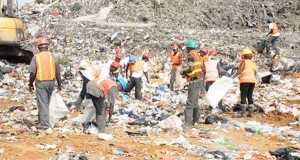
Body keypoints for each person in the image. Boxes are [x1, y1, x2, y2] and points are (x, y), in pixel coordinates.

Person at [28, 37, 62, 130]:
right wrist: (59, 84)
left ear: (39, 47)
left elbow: (33, 73)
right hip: (51, 82)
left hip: (41, 83)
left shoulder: (36, 57)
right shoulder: (53, 56)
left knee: (42, 103)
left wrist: (30, 84)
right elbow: (58, 73)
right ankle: (43, 120)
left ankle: (45, 125)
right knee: (47, 102)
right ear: (47, 47)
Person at [180, 40, 202, 128]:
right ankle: (196, 121)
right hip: (198, 79)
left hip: (193, 80)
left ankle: (187, 123)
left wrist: (184, 72)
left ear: (188, 48)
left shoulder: (191, 55)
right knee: (195, 101)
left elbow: (191, 68)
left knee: (190, 102)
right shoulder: (197, 55)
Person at [232, 48, 257, 117]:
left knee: (243, 96)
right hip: (252, 81)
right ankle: (251, 113)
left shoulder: (243, 62)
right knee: (250, 96)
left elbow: (240, 71)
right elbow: (255, 72)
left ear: (244, 55)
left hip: (244, 81)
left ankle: (243, 113)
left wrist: (233, 76)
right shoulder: (253, 63)